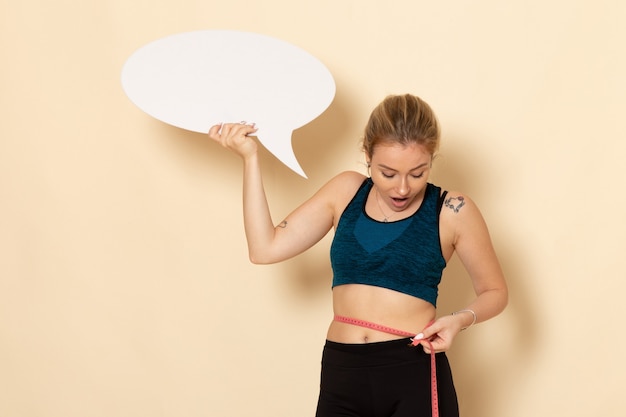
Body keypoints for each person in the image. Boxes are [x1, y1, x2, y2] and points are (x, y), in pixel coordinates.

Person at [208, 94, 508, 417]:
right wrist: (250, 159)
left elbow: (495, 291)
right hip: (343, 372)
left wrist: (459, 320)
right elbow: (264, 248)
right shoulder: (346, 191)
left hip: (412, 372)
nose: (403, 188)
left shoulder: (451, 210)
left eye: (418, 173)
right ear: (367, 156)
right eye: (388, 173)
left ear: (432, 160)